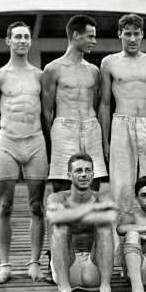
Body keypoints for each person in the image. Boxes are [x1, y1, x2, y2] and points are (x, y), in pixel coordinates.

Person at [0, 21, 48, 284]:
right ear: (8, 41)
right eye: (17, 36)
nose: (22, 41)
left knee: (36, 206)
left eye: (26, 37)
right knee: (5, 206)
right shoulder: (0, 76)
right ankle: (5, 265)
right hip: (7, 143)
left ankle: (34, 263)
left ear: (31, 42)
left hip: (34, 142)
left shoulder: (39, 76)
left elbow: (47, 111)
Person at [99, 13, 146, 216]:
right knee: (122, 182)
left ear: (142, 35)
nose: (132, 39)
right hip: (121, 124)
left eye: (136, 34)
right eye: (127, 34)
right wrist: (105, 141)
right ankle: (123, 237)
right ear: (120, 35)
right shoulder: (109, 62)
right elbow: (105, 104)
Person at [42, 15, 107, 193]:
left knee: (93, 185)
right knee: (62, 184)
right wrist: (53, 140)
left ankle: (90, 221)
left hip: (90, 126)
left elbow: (95, 106)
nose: (94, 41)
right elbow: (46, 112)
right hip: (64, 128)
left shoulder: (93, 71)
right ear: (76, 35)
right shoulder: (53, 69)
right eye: (90, 36)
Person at [47, 153, 117, 292]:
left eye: (88, 170)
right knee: (60, 228)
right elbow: (53, 216)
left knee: (104, 226)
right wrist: (93, 210)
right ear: (69, 175)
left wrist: (70, 215)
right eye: (78, 170)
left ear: (93, 174)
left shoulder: (103, 197)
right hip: (67, 268)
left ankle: (105, 290)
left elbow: (111, 215)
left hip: (96, 268)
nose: (84, 174)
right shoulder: (57, 198)